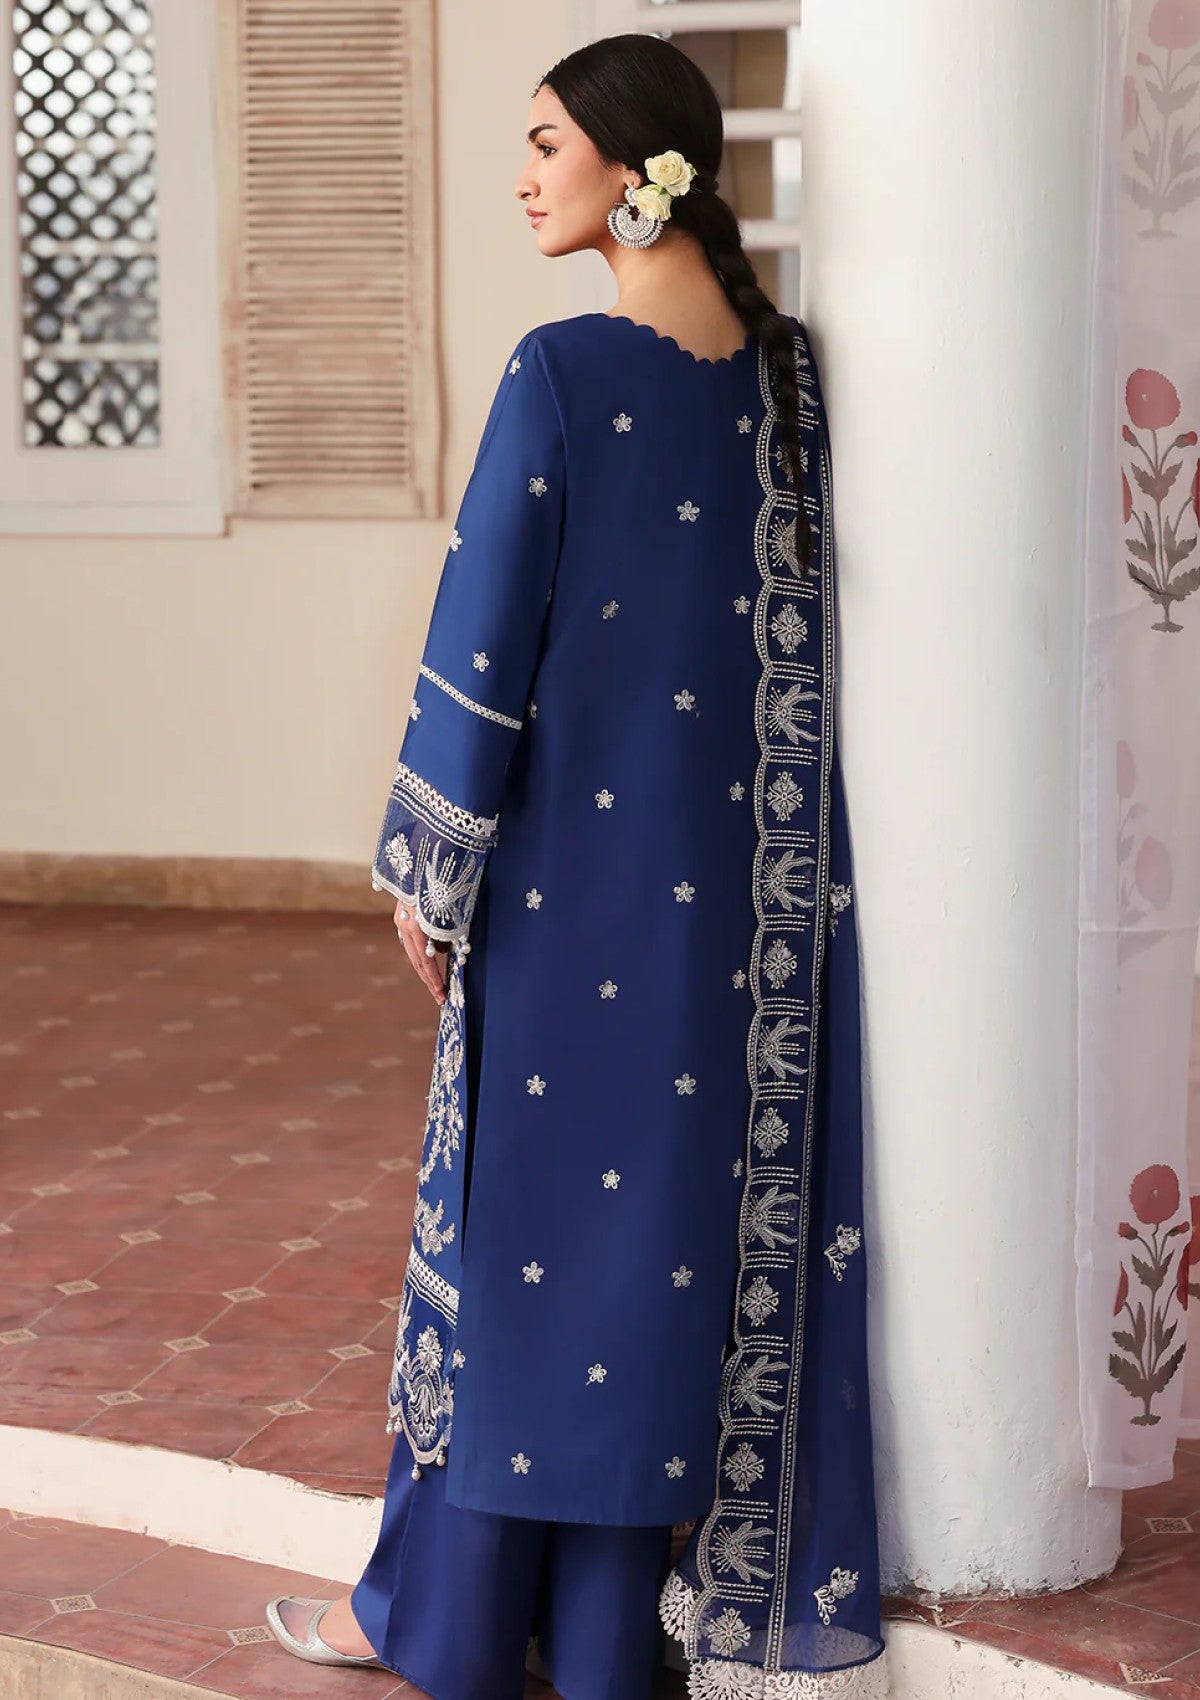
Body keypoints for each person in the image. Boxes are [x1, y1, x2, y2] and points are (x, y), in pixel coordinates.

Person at [265, 30, 889, 1700]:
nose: (527, 177)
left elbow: (487, 637)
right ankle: (608, 1642)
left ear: (633, 169)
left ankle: (451, 1621)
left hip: (560, 909)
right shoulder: (790, 383)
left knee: (519, 1258)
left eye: (547, 144)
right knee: (648, 1262)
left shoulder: (560, 372)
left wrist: (429, 868)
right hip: (736, 923)